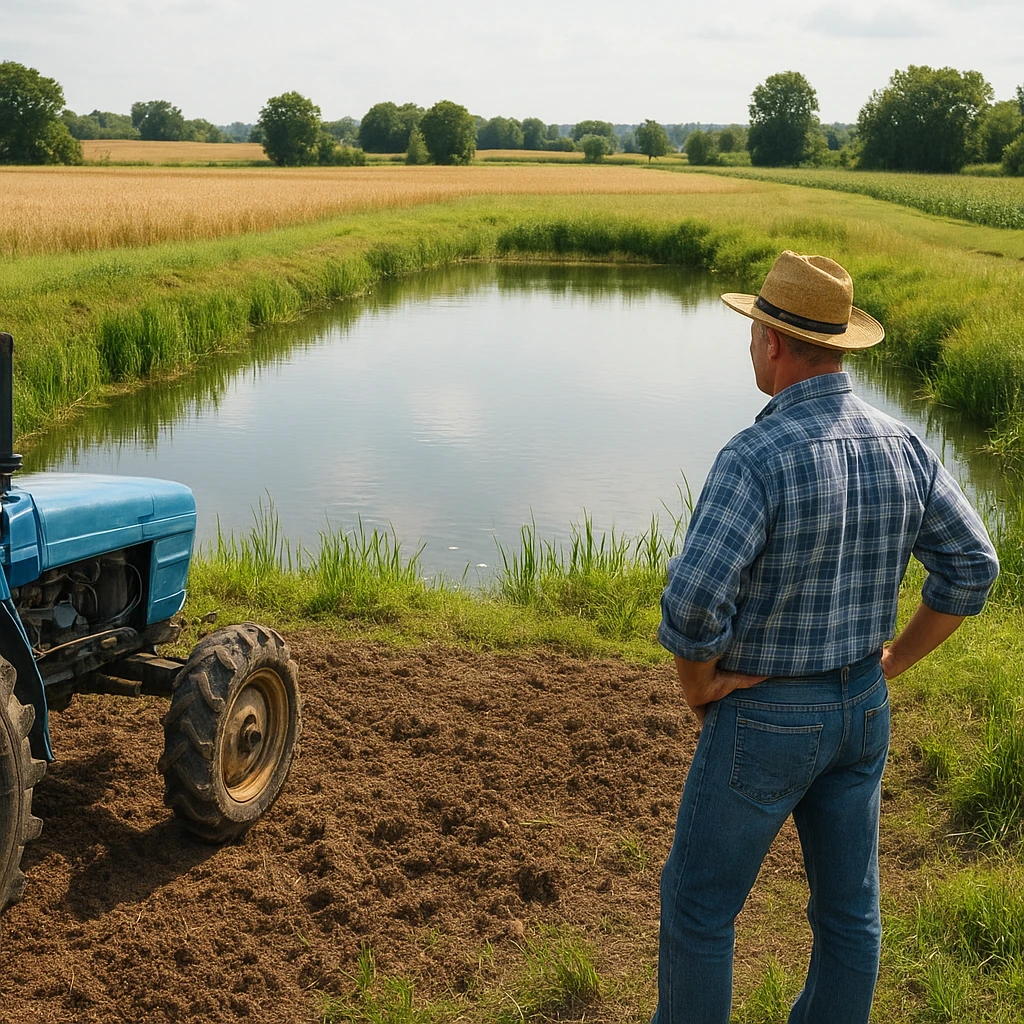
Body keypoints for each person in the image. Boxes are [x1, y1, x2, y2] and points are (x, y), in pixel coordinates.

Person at [651, 251, 999, 1024]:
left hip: (766, 716)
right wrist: (894, 660)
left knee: (699, 908)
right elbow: (973, 565)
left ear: (774, 343)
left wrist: (697, 684)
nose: (750, 345)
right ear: (839, 344)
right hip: (863, 710)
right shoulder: (901, 444)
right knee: (849, 913)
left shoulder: (756, 454)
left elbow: (695, 598)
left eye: (752, 333)